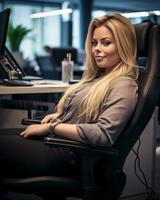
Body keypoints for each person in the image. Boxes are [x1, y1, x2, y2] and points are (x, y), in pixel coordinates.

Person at [0, 13, 138, 179]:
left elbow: (103, 135)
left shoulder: (123, 84)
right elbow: (88, 113)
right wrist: (62, 114)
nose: (97, 49)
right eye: (94, 43)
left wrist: (52, 127)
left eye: (106, 43)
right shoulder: (97, 78)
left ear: (124, 45)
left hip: (70, 154)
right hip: (58, 143)